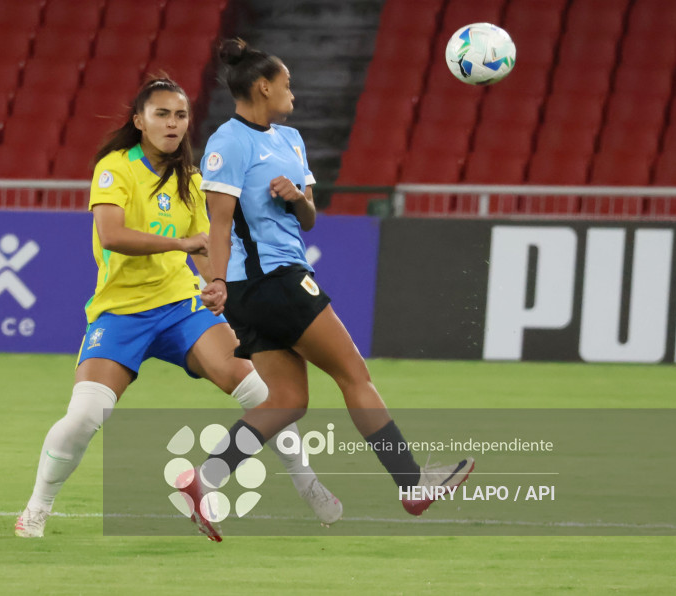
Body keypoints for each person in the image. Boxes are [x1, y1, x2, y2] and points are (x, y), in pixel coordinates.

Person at [14, 76, 342, 539]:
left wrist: (215, 285)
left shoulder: (191, 178)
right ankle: (36, 507)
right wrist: (181, 242)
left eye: (181, 115)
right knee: (85, 417)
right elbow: (112, 236)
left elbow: (205, 247)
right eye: (162, 114)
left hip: (181, 307)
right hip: (120, 312)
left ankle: (308, 485)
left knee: (264, 396)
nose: (172, 123)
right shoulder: (115, 168)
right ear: (139, 121)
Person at [183, 39, 474, 541]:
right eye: (287, 85)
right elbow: (219, 221)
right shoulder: (228, 143)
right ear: (263, 86)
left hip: (268, 284)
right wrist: (215, 281)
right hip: (271, 281)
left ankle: (203, 483)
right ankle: (411, 482)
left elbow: (310, 219)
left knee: (289, 400)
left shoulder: (292, 141)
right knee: (353, 374)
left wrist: (297, 198)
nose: (292, 95)